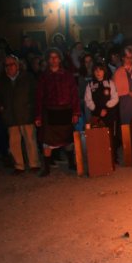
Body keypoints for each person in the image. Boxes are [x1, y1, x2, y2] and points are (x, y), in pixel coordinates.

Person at [35, 48, 80, 176]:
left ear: (60, 59)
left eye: (56, 57)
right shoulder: (43, 77)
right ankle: (47, 168)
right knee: (47, 142)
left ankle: (71, 163)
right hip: (49, 112)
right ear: (48, 60)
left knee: (68, 140)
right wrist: (38, 115)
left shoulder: (67, 75)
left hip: (66, 111)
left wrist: (76, 112)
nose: (54, 60)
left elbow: (74, 95)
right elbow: (39, 97)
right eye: (51, 57)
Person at [0, 54, 40, 175]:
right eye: (7, 65)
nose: (9, 67)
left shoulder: (28, 77)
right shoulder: (1, 81)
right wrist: (0, 107)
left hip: (26, 114)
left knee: (30, 140)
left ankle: (34, 164)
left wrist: (33, 109)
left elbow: (35, 94)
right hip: (10, 116)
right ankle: (19, 165)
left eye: (12, 64)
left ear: (18, 65)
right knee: (14, 142)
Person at [84, 62, 119, 163]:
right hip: (97, 115)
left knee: (111, 136)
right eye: (96, 70)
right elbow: (88, 100)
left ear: (104, 71)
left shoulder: (110, 83)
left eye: (100, 70)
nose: (98, 72)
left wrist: (106, 108)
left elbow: (115, 98)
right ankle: (101, 157)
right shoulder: (90, 85)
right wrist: (98, 111)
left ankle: (113, 157)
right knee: (99, 136)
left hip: (109, 114)